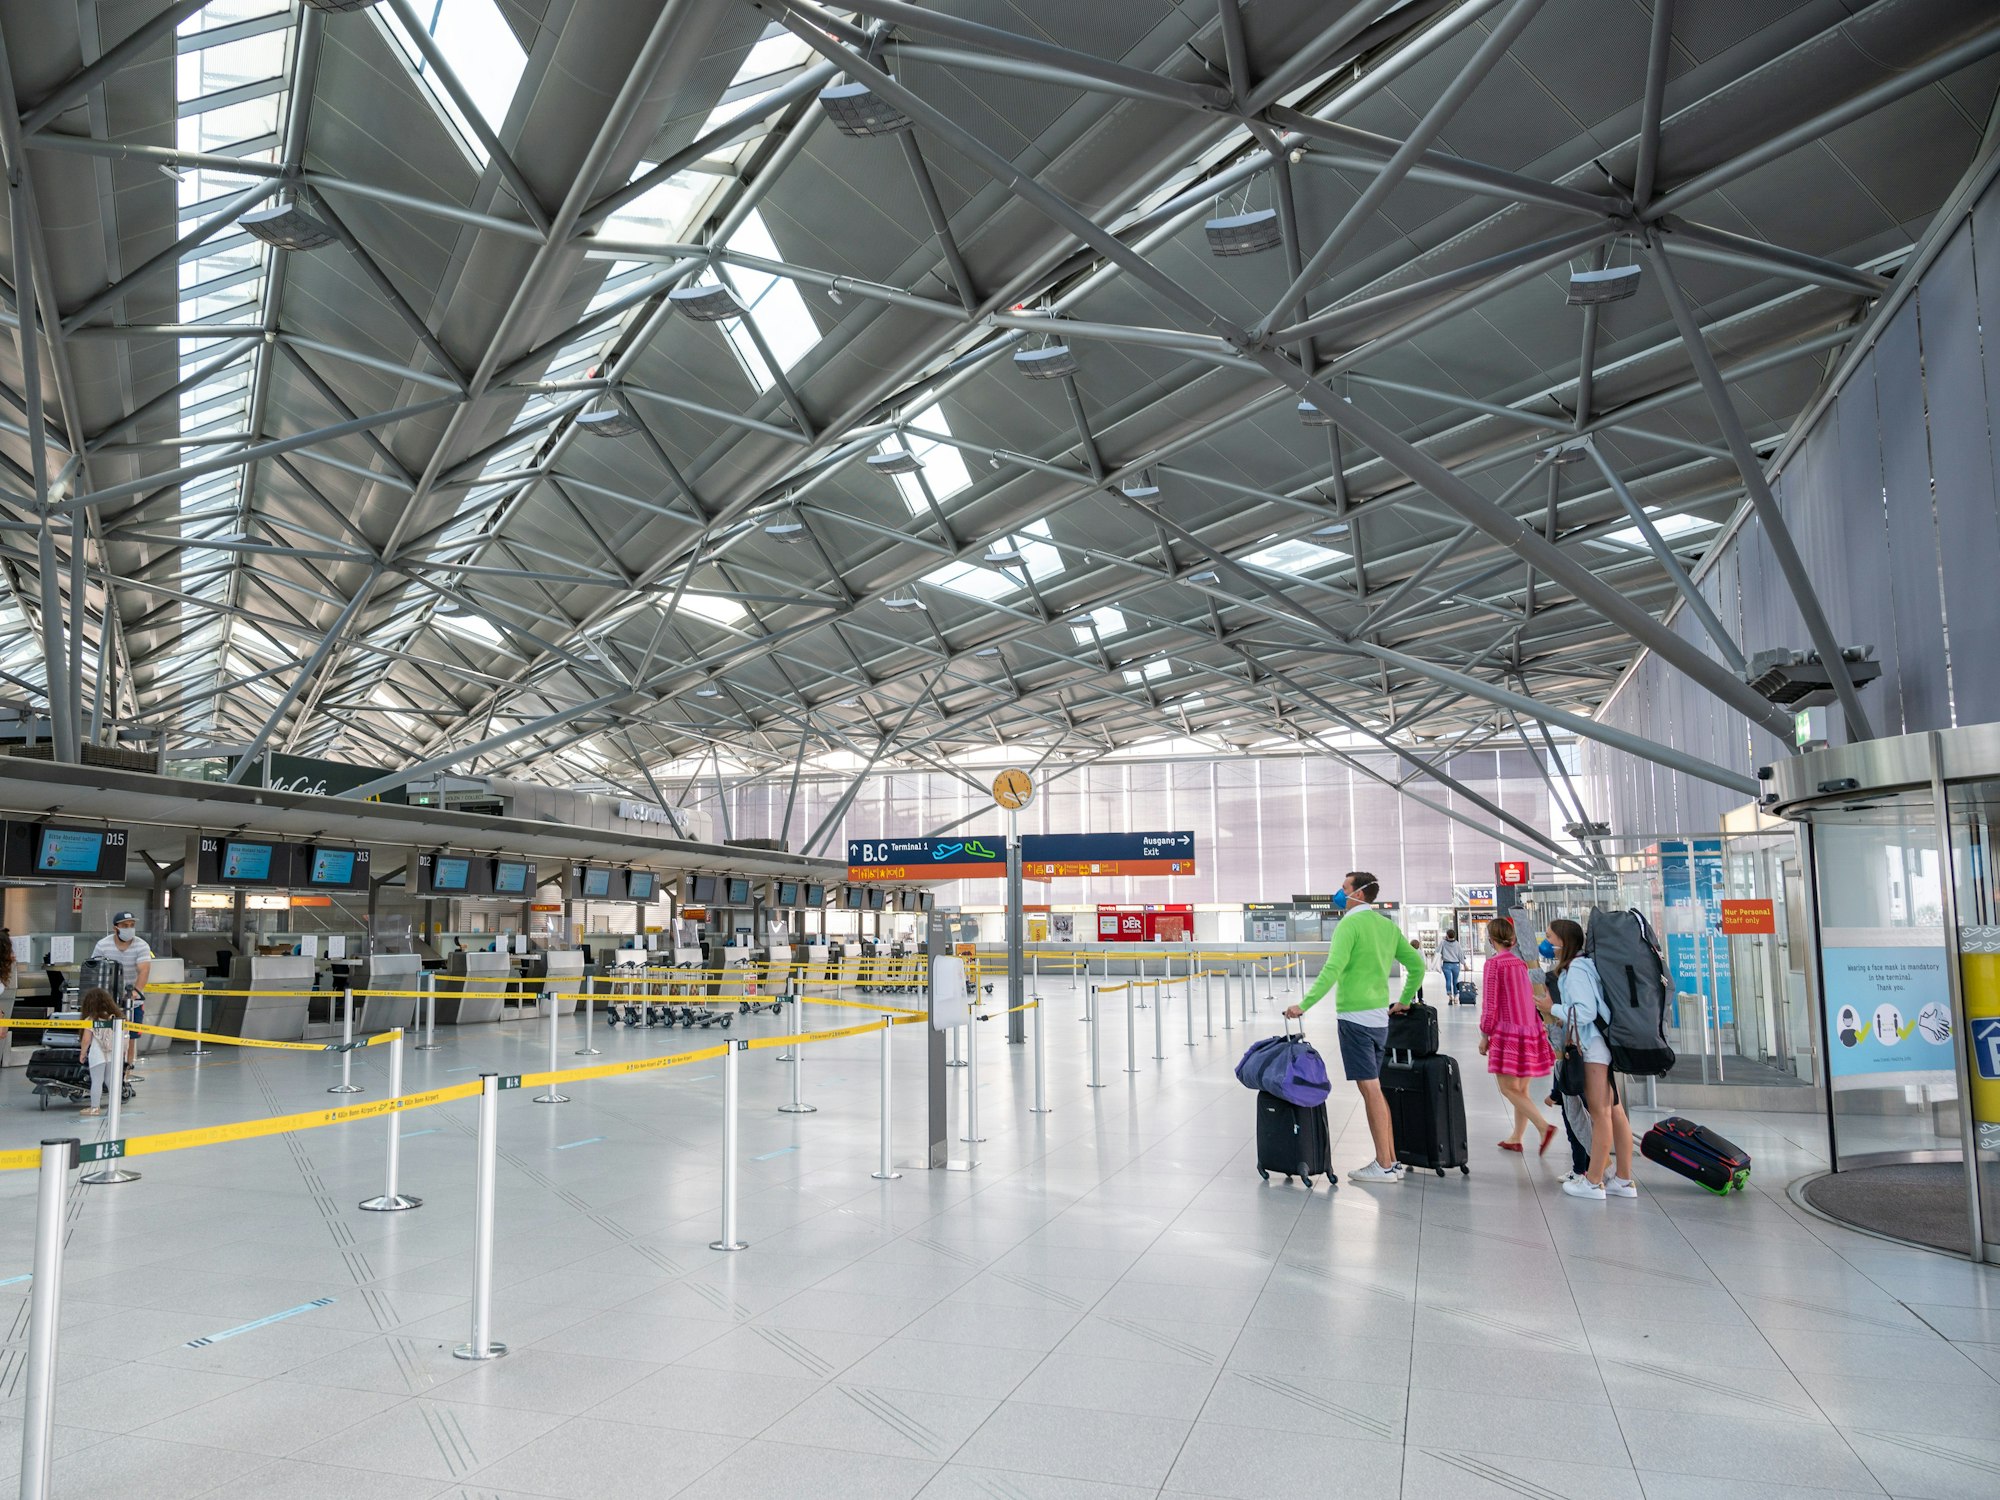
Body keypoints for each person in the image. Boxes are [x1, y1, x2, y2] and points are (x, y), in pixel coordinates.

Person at [1283, 870, 1426, 1184]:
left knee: (1370, 1089)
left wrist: (1303, 1005)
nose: (1339, 891)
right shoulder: (1386, 925)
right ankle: (1390, 1159)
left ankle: (1384, 1165)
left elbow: (1332, 969)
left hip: (1355, 1019)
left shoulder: (1349, 924)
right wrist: (1403, 999)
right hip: (1378, 1019)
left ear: (1358, 894)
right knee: (1375, 1089)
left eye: (1344, 887)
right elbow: (1417, 965)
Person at [1546, 917, 1636, 1200]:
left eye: (1550, 938)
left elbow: (1584, 1012)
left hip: (1593, 1047)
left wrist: (1554, 1008)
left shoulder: (1576, 971)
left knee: (1600, 1113)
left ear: (1563, 942)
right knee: (1615, 1112)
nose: (1547, 944)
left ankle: (1594, 1181)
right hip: (1602, 1044)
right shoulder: (1586, 966)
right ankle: (1623, 1180)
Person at [1476, 917, 1556, 1154]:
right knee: (1521, 1089)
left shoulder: (1494, 964)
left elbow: (1490, 1004)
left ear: (1491, 939)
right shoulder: (1523, 964)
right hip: (1530, 1030)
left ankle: (1544, 1127)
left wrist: (1485, 1034)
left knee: (1508, 1089)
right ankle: (1516, 1137)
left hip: (1507, 1031)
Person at [90, 913, 153, 1083]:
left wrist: (135, 992)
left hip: (132, 1000)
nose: (129, 929)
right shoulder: (103, 945)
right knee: (101, 1034)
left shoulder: (141, 945)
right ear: (115, 928)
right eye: (125, 925)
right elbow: (95, 968)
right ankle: (101, 1070)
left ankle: (126, 1072)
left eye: (132, 925)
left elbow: (144, 970)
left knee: (130, 1036)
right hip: (106, 999)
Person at [75, 986, 122, 1118]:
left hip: (97, 1054)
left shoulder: (90, 1020)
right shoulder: (116, 1018)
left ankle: (95, 1108)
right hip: (113, 1053)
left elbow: (86, 1040)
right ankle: (115, 1107)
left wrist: (82, 1053)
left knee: (97, 1081)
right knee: (110, 1080)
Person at [1438, 929, 1464, 1004]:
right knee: (1455, 980)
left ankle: (1450, 995)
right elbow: (1461, 955)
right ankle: (1456, 996)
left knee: (1448, 980)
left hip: (1446, 964)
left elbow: (1437, 951)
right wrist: (1464, 964)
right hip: (1456, 964)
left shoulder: (1443, 943)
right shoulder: (1457, 944)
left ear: (1447, 935)